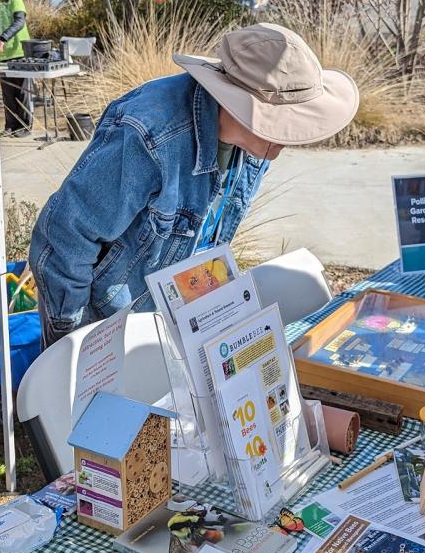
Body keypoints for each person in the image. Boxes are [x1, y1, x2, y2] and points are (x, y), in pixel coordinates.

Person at [30, 23, 359, 344]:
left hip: (174, 319)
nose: (286, 140)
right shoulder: (149, 135)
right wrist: (72, 346)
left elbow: (207, 239)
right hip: (110, 328)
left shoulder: (256, 147)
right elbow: (65, 239)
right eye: (283, 125)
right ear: (235, 103)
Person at [0, 0, 32, 137]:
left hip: (19, 51)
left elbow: (19, 21)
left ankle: (24, 126)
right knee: (7, 93)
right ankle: (11, 125)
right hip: (3, 54)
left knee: (22, 91)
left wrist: (3, 38)